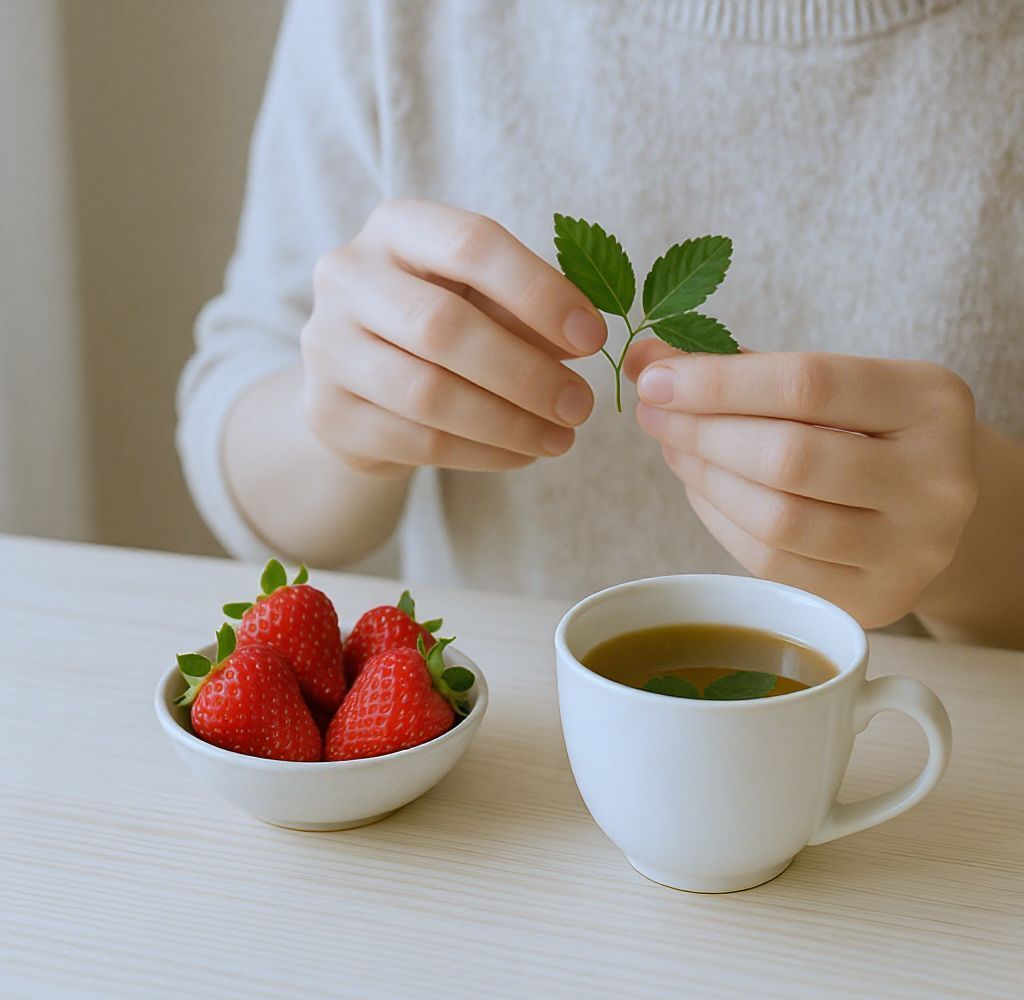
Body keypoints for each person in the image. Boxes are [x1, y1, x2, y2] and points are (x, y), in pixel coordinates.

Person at [177, 0, 1024, 650]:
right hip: (493, 792)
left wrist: (978, 542)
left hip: (918, 809)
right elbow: (240, 423)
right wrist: (338, 422)